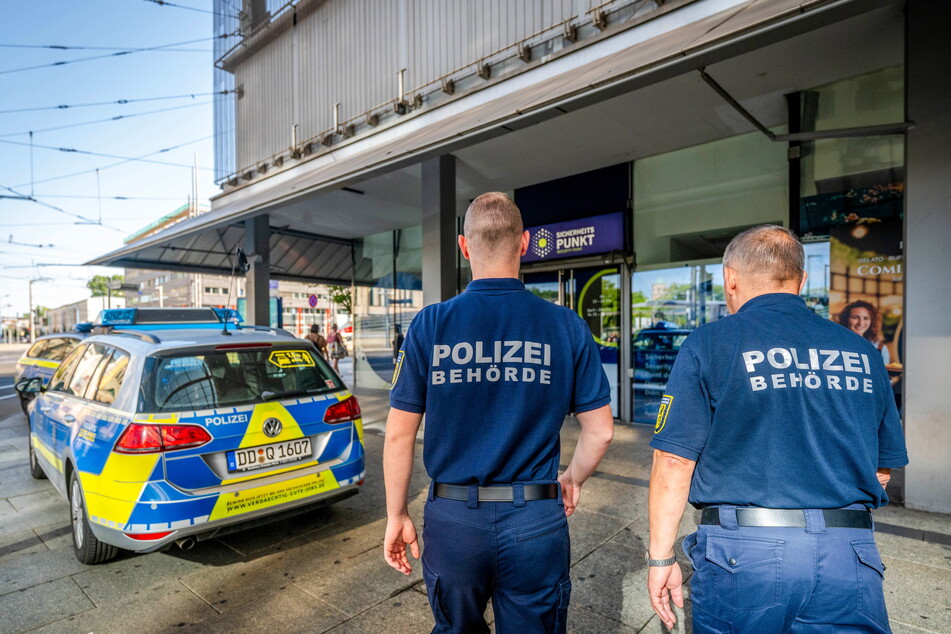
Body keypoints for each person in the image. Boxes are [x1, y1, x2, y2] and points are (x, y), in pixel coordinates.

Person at [646, 225, 907, 633]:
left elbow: (674, 459)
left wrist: (661, 559)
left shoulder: (711, 343)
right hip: (848, 553)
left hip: (744, 556)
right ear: (803, 280)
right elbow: (883, 468)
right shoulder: (861, 352)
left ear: (730, 278)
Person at [382, 192, 615, 633]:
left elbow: (398, 436)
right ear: (524, 243)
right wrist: (572, 480)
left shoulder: (429, 324)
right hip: (534, 519)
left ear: (464, 247)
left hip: (453, 521)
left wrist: (397, 515)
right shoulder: (565, 325)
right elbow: (600, 432)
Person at [839, 299, 890, 364]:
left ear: (872, 321)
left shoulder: (880, 348)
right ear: (845, 319)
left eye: (866, 318)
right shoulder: (836, 344)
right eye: (855, 317)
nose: (861, 323)